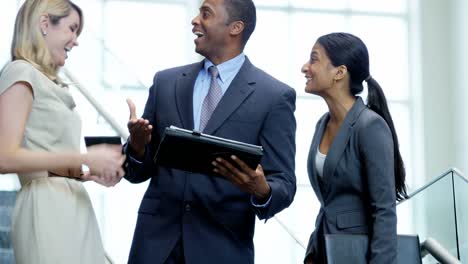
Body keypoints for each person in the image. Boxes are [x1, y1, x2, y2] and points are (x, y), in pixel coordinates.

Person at [124, 0, 297, 263]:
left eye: (206, 14)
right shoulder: (166, 83)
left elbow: (284, 183)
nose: (195, 20)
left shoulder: (273, 97)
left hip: (221, 248)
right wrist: (137, 147)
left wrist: (262, 190)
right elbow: (137, 171)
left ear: (235, 28)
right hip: (155, 247)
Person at [0, 1, 126, 263]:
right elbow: (5, 158)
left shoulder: (50, 82)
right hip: (46, 207)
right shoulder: (20, 71)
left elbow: (45, 153)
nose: (75, 41)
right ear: (45, 24)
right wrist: (85, 158)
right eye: (72, 29)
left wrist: (83, 173)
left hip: (72, 201)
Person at [301, 32, 407, 264]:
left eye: (314, 59)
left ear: (339, 72)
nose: (305, 67)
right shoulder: (322, 123)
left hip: (356, 255)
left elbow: (384, 211)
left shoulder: (370, 126)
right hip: (324, 250)